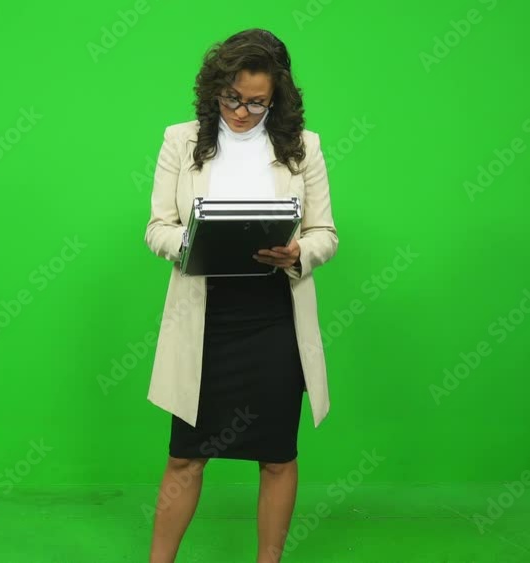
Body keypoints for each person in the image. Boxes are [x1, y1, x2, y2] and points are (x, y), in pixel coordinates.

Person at [143, 28, 338, 563]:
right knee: (186, 456)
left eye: (257, 102)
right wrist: (194, 242)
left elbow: (325, 234)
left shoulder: (303, 147)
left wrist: (296, 253)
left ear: (277, 98)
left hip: (274, 317)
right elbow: (157, 227)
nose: (241, 112)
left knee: (276, 456)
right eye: (232, 98)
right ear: (215, 88)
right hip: (205, 316)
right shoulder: (180, 140)